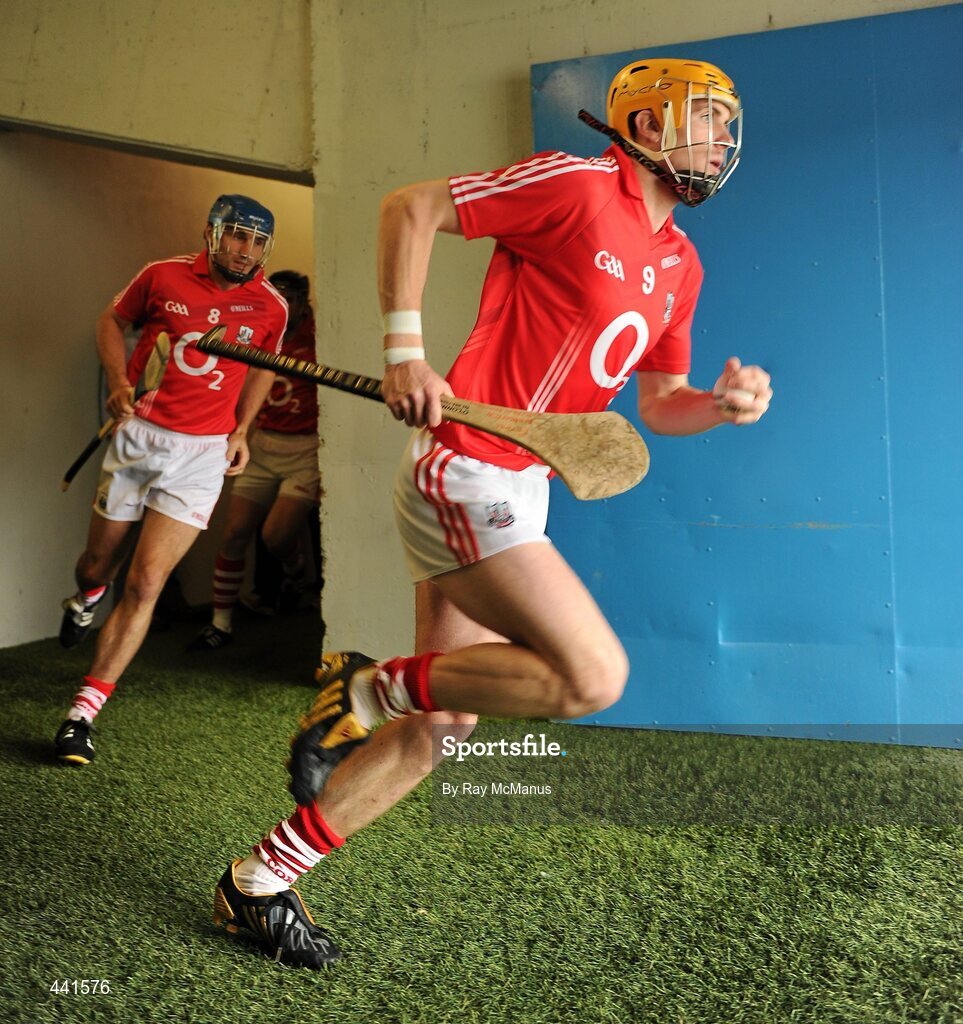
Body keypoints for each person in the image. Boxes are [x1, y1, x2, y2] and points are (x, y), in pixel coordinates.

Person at [211, 58, 772, 967]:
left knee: (443, 729)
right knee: (592, 677)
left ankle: (260, 879)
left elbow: (659, 401)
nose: (720, 138)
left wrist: (719, 403)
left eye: (723, 123)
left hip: (524, 486)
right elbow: (410, 207)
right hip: (463, 469)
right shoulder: (577, 184)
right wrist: (405, 352)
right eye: (702, 118)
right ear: (643, 122)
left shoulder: (681, 264)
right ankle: (363, 687)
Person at [54, 195, 288, 766]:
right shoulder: (161, 276)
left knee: (147, 582)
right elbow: (112, 319)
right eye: (236, 236)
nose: (245, 250)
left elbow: (263, 367)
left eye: (257, 241)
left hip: (203, 455)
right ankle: (85, 595)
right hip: (139, 437)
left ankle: (81, 714)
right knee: (97, 565)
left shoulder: (271, 307)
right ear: (212, 232)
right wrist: (116, 378)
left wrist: (242, 430)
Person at [188, 270, 321, 651]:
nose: (282, 304)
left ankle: (298, 581)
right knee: (233, 534)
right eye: (275, 295)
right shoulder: (258, 327)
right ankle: (221, 624)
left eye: (289, 298)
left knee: (277, 536)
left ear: (302, 303)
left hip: (305, 450)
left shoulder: (319, 337)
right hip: (262, 445)